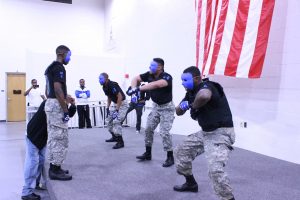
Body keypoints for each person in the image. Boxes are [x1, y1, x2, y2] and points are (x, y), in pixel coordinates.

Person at [173, 66, 235, 200]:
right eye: (182, 80)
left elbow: (204, 96)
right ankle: (191, 183)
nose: (182, 83)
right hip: (205, 133)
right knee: (180, 152)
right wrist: (182, 107)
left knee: (215, 171)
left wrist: (192, 106)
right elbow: (177, 112)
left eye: (185, 80)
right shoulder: (190, 92)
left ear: (196, 78)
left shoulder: (209, 86)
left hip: (221, 133)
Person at [21, 99, 76, 200]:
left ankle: (36, 184)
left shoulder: (60, 105)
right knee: (33, 162)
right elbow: (61, 117)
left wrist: (72, 105)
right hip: (34, 135)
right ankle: (26, 192)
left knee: (40, 161)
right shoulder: (49, 103)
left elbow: (67, 117)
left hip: (42, 137)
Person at [128, 58, 175, 167]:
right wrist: (134, 89)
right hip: (156, 107)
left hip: (167, 108)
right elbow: (136, 78)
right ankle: (148, 153)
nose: (150, 67)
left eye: (152, 65)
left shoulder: (167, 77)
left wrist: (140, 89)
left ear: (160, 67)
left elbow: (157, 85)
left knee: (164, 132)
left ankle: (170, 157)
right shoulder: (149, 74)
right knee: (148, 128)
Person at [44, 45, 73, 181]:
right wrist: (65, 109)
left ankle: (56, 166)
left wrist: (66, 97)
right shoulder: (59, 67)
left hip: (50, 103)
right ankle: (54, 170)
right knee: (59, 138)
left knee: (54, 137)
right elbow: (57, 89)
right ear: (61, 53)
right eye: (69, 55)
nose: (69, 58)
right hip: (56, 106)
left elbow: (47, 91)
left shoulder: (49, 68)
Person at [99, 72, 129, 149]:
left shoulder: (112, 84)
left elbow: (120, 96)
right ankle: (114, 137)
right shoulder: (104, 87)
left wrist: (117, 110)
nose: (99, 80)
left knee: (116, 121)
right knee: (108, 120)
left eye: (101, 78)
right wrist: (107, 107)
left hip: (122, 104)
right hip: (116, 104)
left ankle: (120, 142)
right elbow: (109, 97)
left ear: (106, 78)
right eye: (99, 79)